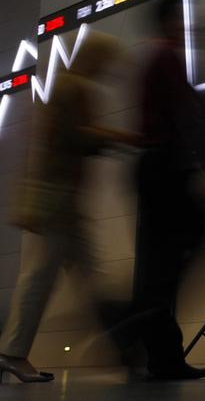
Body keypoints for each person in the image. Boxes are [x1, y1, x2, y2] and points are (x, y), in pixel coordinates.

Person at [0, 32, 133, 383]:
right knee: (47, 276)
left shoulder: (65, 85)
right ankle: (12, 353)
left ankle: (123, 350)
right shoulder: (75, 87)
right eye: (106, 61)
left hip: (60, 198)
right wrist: (119, 138)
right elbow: (77, 136)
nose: (108, 70)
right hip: (61, 198)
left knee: (78, 277)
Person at [132, 0, 205, 380]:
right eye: (181, 20)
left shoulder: (155, 60)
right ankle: (150, 323)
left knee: (156, 260)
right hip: (166, 168)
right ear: (168, 22)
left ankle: (161, 355)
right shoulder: (167, 59)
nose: (187, 27)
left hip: (152, 167)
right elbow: (187, 116)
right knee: (190, 237)